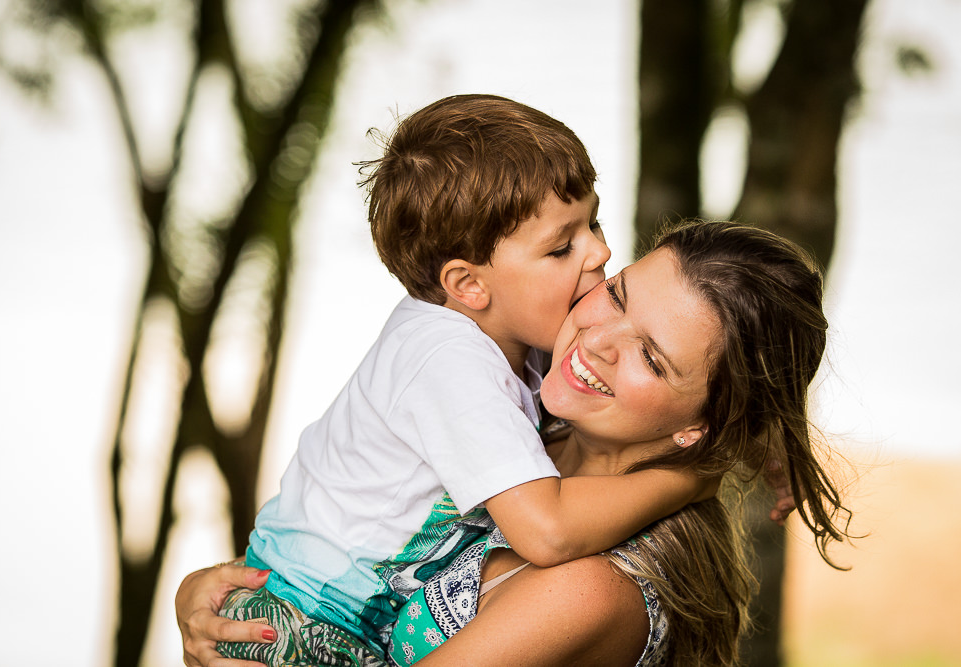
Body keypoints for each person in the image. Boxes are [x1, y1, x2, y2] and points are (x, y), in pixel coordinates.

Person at [177, 220, 852, 667]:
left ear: (696, 428)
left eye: (652, 356)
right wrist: (213, 603)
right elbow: (350, 549)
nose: (597, 341)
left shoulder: (593, 588)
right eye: (616, 295)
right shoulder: (518, 418)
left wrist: (703, 475)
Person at [215, 95, 715, 666]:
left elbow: (710, 397)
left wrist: (765, 450)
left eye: (594, 221)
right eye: (561, 246)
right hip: (299, 620)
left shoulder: (510, 345)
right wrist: (692, 482)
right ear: (468, 284)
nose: (600, 251)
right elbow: (547, 530)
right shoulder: (449, 359)